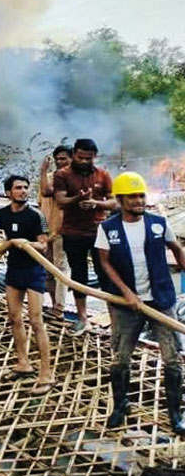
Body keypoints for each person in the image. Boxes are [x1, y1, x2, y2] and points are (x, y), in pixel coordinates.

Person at [95, 172, 185, 434]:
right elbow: (104, 262)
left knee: (172, 359)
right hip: (126, 305)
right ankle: (120, 406)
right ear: (120, 200)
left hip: (161, 301)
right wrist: (126, 293)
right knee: (121, 359)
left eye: (141, 195)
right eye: (132, 196)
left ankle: (175, 414)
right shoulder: (108, 228)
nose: (138, 200)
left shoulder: (158, 223)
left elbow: (177, 249)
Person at [0, 175, 54, 395]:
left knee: (36, 320)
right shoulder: (1, 214)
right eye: (18, 188)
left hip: (33, 271)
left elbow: (44, 246)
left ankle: (46, 373)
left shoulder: (35, 216)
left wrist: (26, 243)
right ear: (8, 192)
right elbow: (5, 238)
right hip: (14, 270)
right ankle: (23, 363)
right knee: (14, 317)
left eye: (25, 188)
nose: (22, 191)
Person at [53, 138, 116, 335]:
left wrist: (96, 204)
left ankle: (113, 317)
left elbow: (114, 202)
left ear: (94, 156)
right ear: (74, 155)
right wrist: (78, 199)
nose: (84, 161)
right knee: (78, 275)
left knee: (106, 274)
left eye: (88, 158)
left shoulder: (103, 175)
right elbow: (60, 200)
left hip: (99, 232)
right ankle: (82, 317)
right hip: (73, 232)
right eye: (81, 157)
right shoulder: (62, 174)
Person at [39, 145, 72, 315]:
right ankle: (53, 305)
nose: (60, 162)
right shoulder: (49, 177)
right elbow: (42, 200)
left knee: (61, 268)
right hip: (45, 231)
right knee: (48, 269)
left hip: (62, 231)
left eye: (64, 158)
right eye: (57, 159)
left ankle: (59, 308)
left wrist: (42, 171)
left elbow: (48, 193)